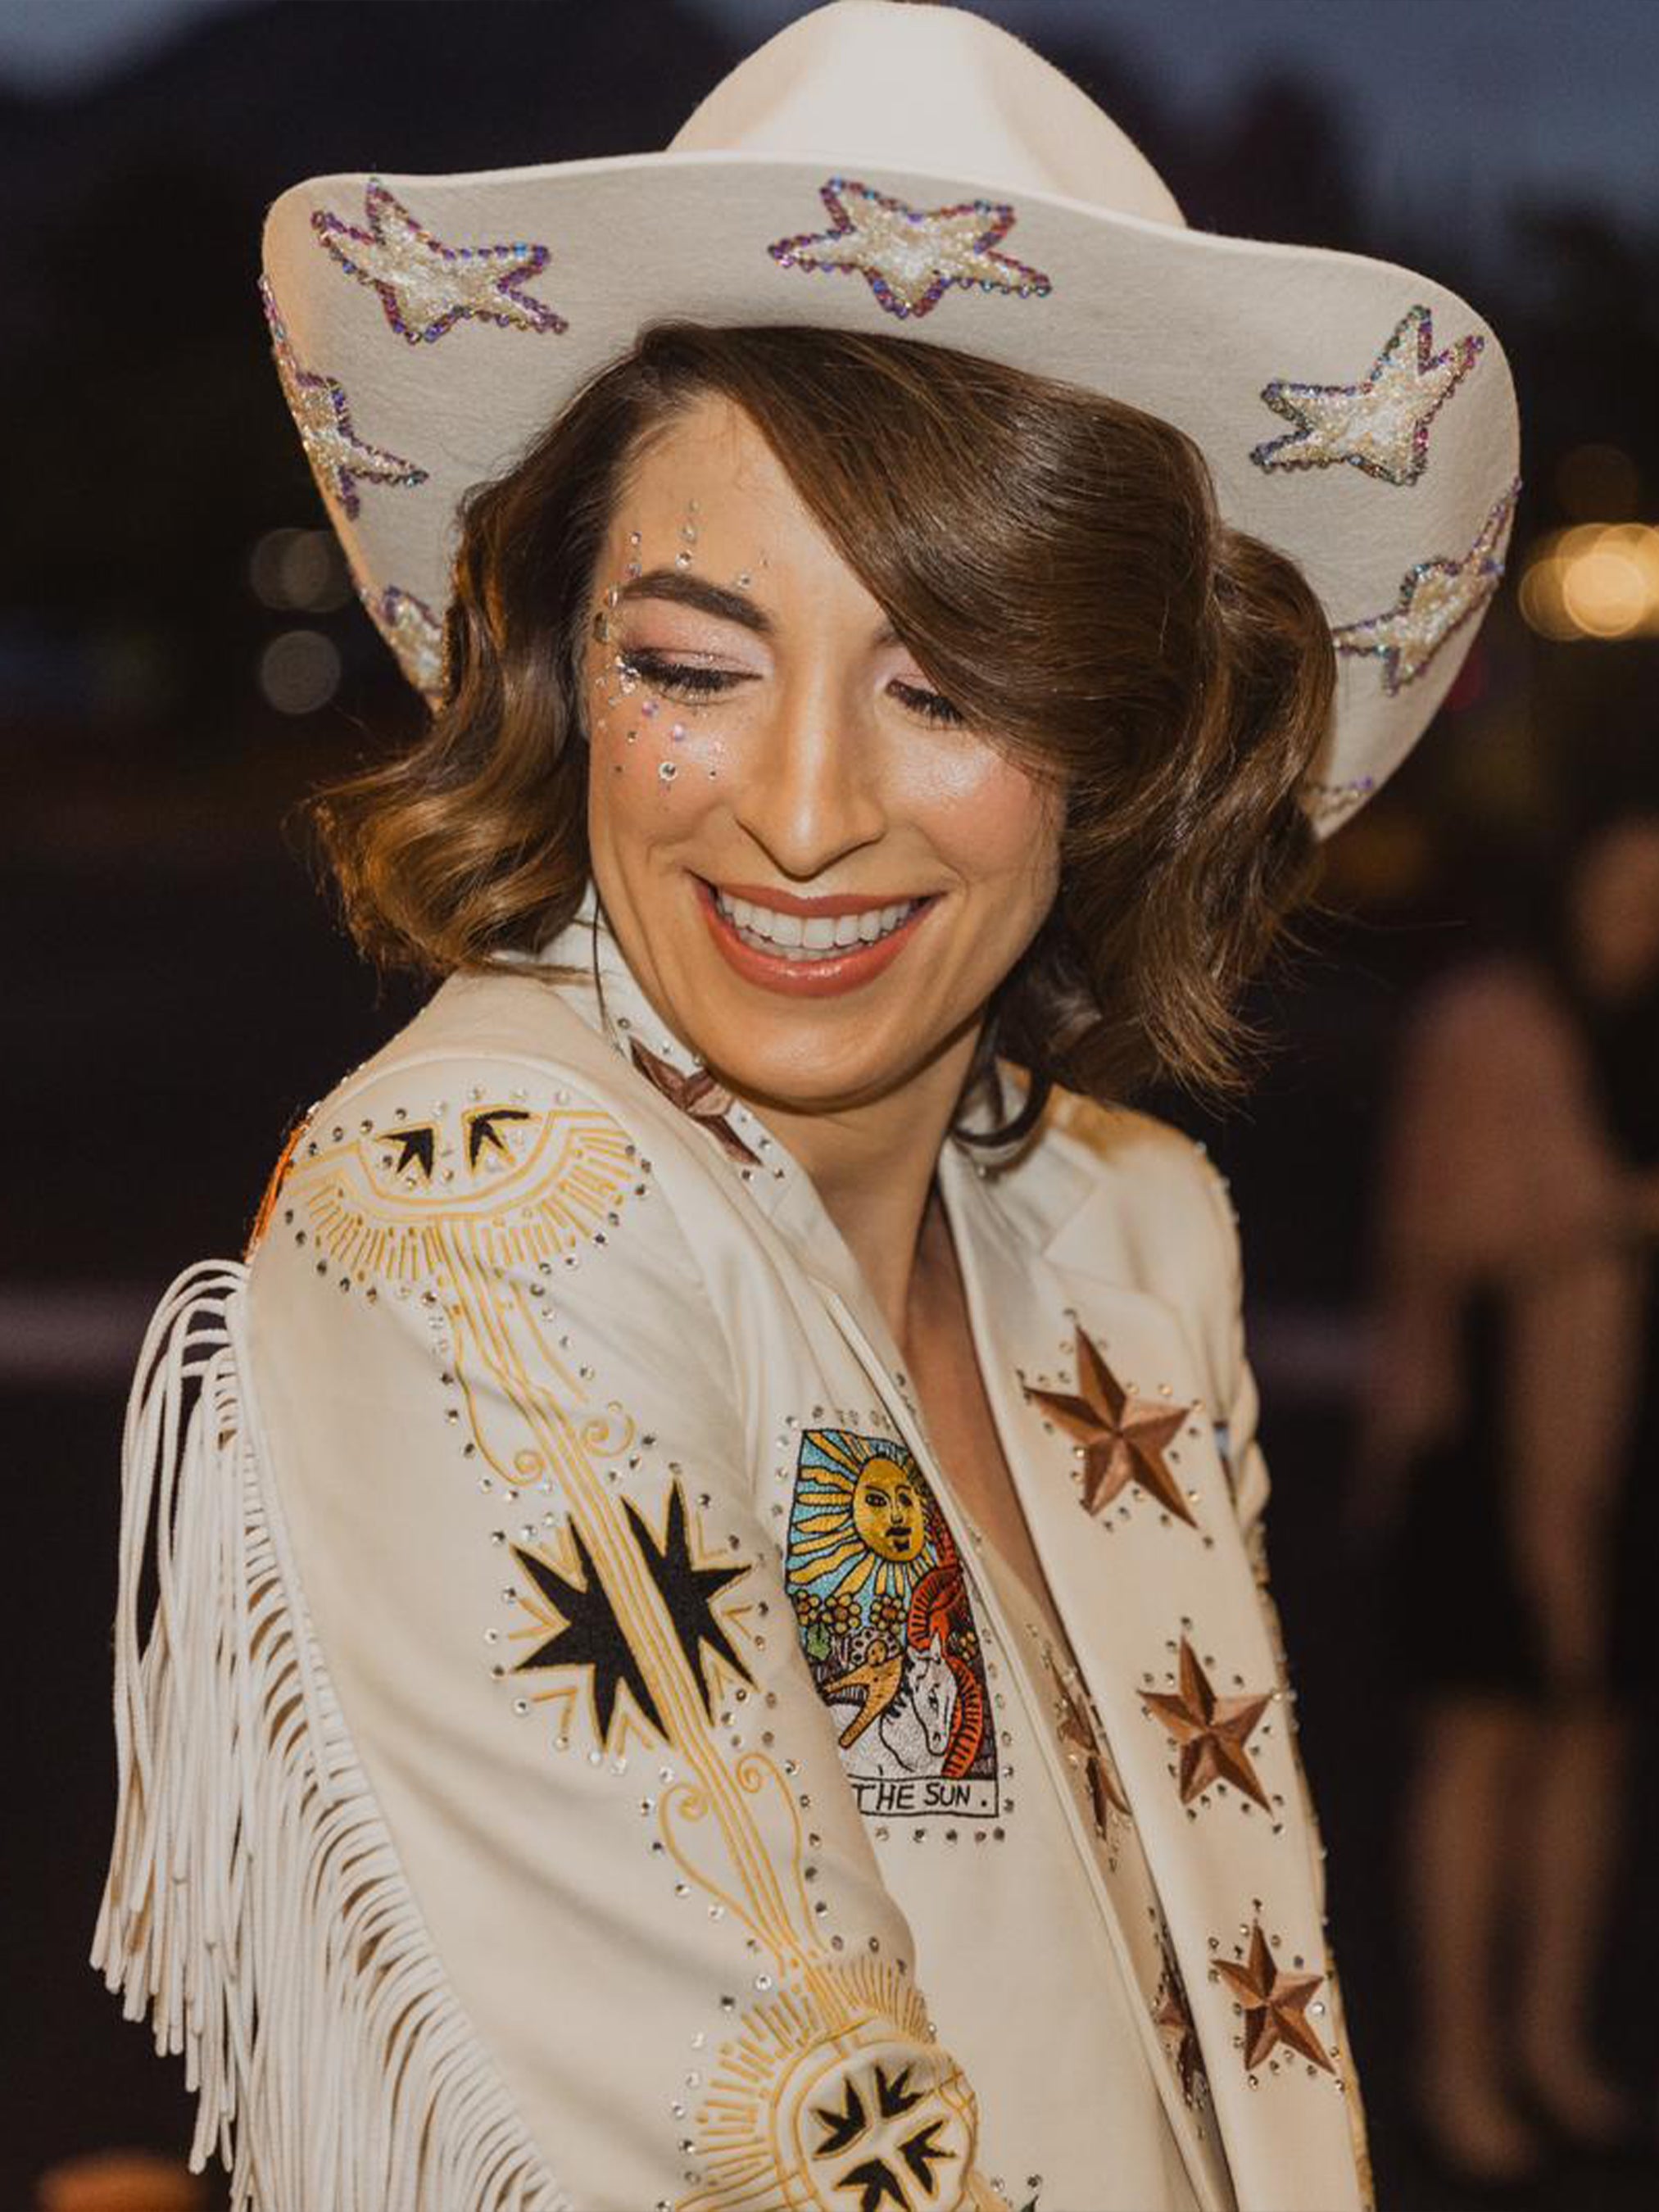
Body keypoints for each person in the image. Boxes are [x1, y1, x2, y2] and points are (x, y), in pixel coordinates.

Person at [91, 5, 1518, 2207]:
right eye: (691, 664)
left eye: (948, 682)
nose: (802, 810)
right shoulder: (483, 1213)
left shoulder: (1120, 1224)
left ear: (1128, 738)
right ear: (563, 667)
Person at [1362, 816, 1659, 2189]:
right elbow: (1439, 1226)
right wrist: (1617, 1211)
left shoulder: (1633, 1026)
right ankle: (1452, 2063)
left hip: (1622, 1436)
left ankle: (1549, 2042)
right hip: (1487, 1420)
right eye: (1627, 879)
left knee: (1590, 1732)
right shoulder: (1491, 1021)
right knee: (1479, 1743)